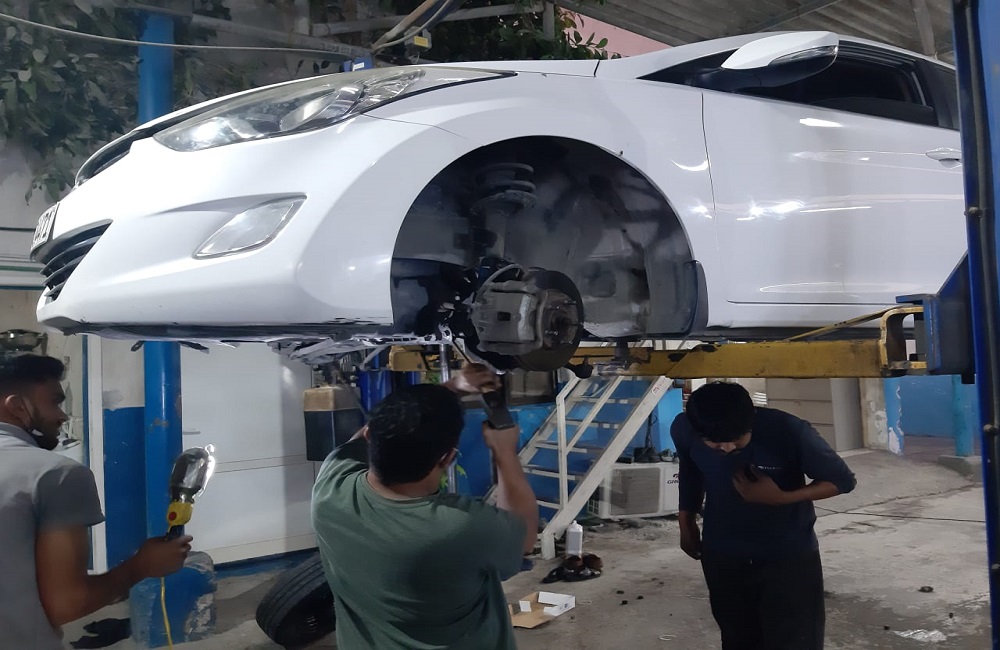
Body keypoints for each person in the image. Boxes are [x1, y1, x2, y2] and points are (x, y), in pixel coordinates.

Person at [311, 364, 538, 650]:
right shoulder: (461, 527)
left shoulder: (330, 487)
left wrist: (452, 388)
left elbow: (365, 435)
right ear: (448, 458)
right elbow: (525, 537)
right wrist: (504, 452)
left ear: (370, 438)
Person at [0, 354, 193, 649]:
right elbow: (67, 604)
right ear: (16, 406)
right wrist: (141, 566)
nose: (62, 417)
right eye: (55, 403)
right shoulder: (54, 474)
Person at [671, 381, 857, 650]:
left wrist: (781, 498)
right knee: (737, 637)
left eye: (736, 440)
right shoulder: (684, 428)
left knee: (795, 640)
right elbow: (690, 470)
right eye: (715, 442)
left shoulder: (789, 431)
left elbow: (842, 481)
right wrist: (686, 522)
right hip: (722, 553)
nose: (727, 448)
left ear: (752, 422)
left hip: (787, 555)